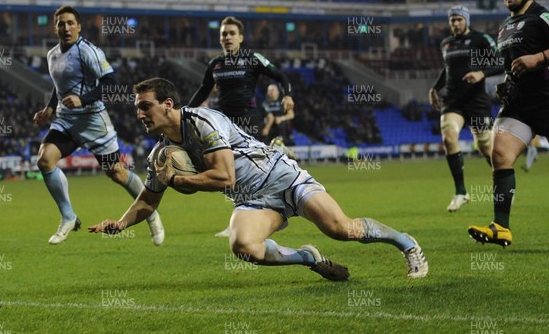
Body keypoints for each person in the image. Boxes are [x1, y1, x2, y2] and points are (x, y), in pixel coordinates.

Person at [88, 77, 429, 280]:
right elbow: (147, 200)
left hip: (282, 178)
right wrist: (120, 223)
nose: (138, 113)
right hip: (252, 199)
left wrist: (181, 182)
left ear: (168, 104)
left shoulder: (202, 122)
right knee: (243, 247)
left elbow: (224, 175)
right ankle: (308, 258)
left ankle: (407, 244)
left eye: (145, 106)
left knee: (342, 230)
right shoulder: (160, 155)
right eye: (136, 107)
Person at [33, 5, 164, 245]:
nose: (66, 27)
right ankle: (68, 216)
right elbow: (59, 86)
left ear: (79, 26)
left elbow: (111, 83)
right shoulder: (52, 54)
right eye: (61, 23)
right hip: (66, 121)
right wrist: (50, 108)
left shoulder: (89, 52)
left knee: (116, 173)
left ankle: (150, 212)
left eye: (71, 23)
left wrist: (83, 99)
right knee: (44, 160)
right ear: (55, 28)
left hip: (94, 121)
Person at [188, 16, 295, 237]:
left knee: (245, 173)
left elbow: (280, 75)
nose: (227, 37)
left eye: (231, 33)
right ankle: (275, 151)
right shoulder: (215, 64)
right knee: (228, 174)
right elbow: (202, 91)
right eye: (223, 34)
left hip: (249, 121)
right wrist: (185, 113)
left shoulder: (253, 59)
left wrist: (288, 96)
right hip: (223, 125)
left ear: (241, 37)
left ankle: (254, 213)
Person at [469, 0, 549, 246]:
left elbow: (533, 59)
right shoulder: (504, 26)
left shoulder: (542, 17)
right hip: (519, 104)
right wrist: (505, 83)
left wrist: (539, 58)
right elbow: (512, 64)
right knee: (500, 153)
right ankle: (500, 227)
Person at [428, 5, 503, 212]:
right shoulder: (446, 43)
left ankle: (504, 187)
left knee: (486, 148)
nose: (456, 23)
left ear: (466, 21)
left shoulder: (481, 39)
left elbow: (502, 62)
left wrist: (481, 73)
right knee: (449, 138)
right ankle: (461, 192)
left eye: (459, 19)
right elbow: (447, 69)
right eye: (452, 20)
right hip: (453, 100)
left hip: (476, 100)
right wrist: (435, 88)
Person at [261, 84, 297, 159]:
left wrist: (281, 118)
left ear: (277, 92)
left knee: (279, 151)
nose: (271, 92)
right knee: (268, 151)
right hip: (268, 131)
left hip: (280, 130)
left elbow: (291, 115)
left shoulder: (283, 102)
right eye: (270, 91)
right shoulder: (264, 104)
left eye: (273, 90)